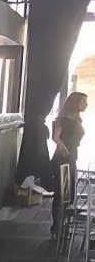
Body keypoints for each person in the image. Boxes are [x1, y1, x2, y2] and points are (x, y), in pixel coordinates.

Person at [50, 91, 88, 237]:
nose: (85, 105)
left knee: (68, 194)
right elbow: (55, 138)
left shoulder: (76, 119)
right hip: (63, 159)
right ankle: (57, 228)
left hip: (71, 158)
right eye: (82, 102)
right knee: (62, 194)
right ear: (75, 102)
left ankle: (62, 227)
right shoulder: (63, 119)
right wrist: (64, 148)